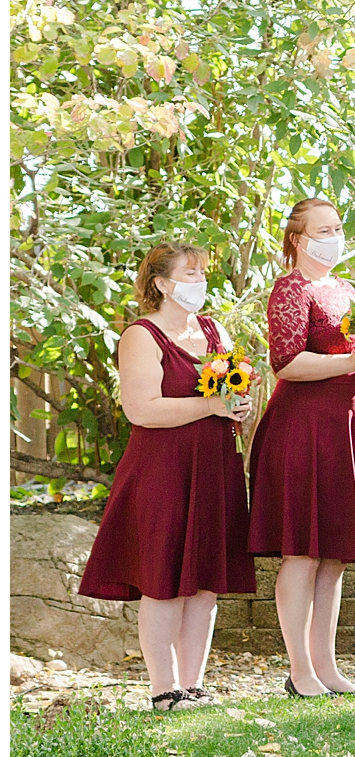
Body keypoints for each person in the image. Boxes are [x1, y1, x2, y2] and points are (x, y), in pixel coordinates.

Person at [79, 243, 256, 710]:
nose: (199, 281)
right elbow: (141, 409)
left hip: (214, 468)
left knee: (204, 581)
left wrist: (237, 405)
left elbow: (230, 389)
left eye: (202, 273)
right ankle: (164, 689)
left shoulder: (212, 329)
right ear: (160, 283)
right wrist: (212, 405)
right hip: (162, 470)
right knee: (163, 578)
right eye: (190, 273)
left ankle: (193, 685)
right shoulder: (141, 335)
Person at [247, 198, 355, 698]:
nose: (334, 236)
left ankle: (327, 668)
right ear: (297, 240)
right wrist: (353, 361)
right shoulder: (290, 289)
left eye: (338, 227)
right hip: (304, 428)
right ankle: (300, 670)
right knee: (304, 553)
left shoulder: (346, 289)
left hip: (348, 423)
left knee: (334, 556)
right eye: (323, 229)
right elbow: (286, 364)